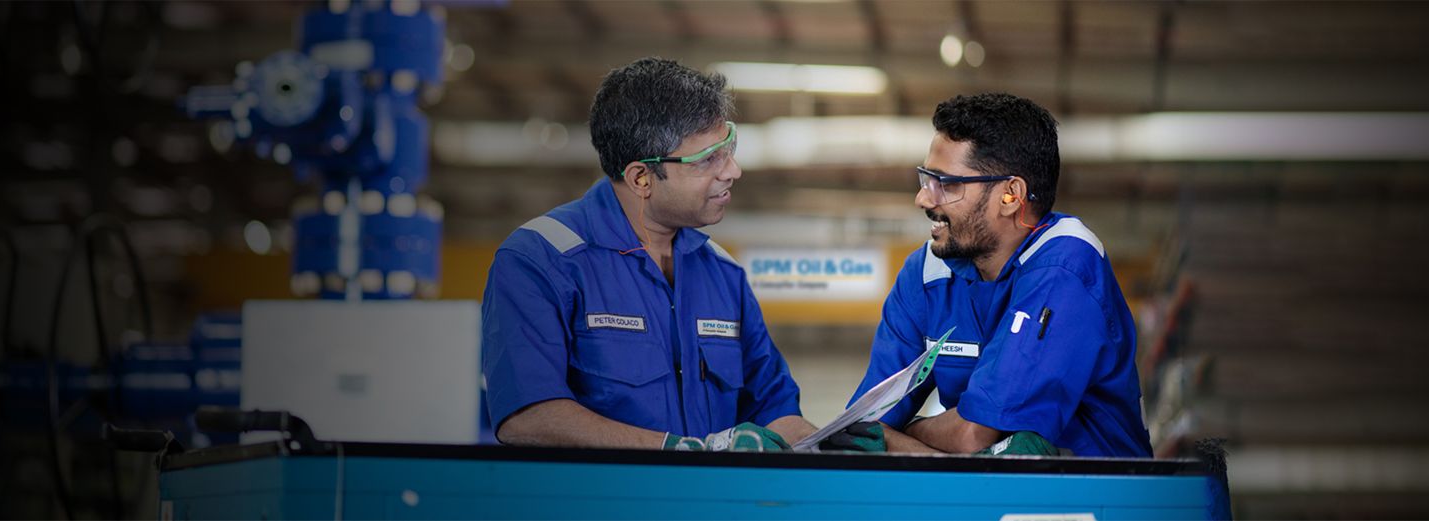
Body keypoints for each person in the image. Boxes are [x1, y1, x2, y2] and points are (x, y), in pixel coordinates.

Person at [479, 58, 817, 451]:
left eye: (729, 148)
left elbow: (775, 407)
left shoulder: (723, 273)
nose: (733, 171)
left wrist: (823, 441)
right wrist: (674, 450)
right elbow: (528, 417)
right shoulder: (540, 262)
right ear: (642, 178)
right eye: (708, 159)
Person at [852, 93, 1151, 457]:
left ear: (1010, 195)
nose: (923, 199)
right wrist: (918, 445)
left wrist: (903, 437)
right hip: (983, 499)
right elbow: (864, 427)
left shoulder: (1067, 265)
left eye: (945, 184)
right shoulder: (925, 275)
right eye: (925, 178)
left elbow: (972, 435)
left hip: (1100, 502)